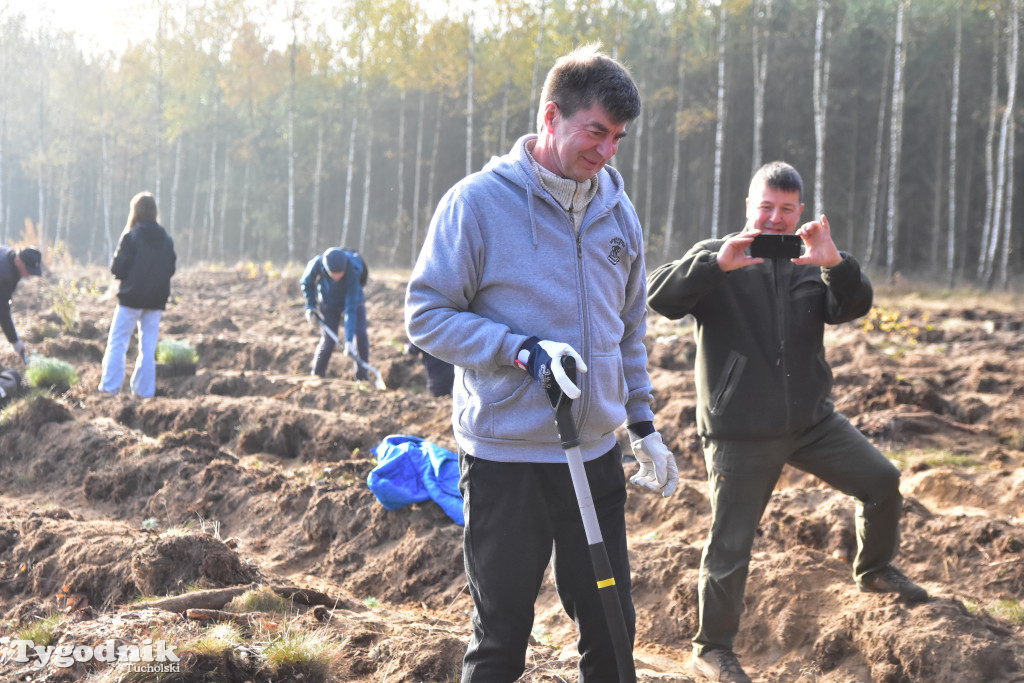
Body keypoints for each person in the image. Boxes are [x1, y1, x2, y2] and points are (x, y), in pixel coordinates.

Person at [405, 43, 679, 683]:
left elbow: (629, 329)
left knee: (612, 637)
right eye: (596, 132)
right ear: (552, 117)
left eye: (618, 138)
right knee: (501, 641)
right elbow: (425, 314)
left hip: (591, 454)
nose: (608, 151)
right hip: (507, 460)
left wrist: (643, 426)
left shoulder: (618, 211)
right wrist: (519, 350)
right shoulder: (476, 204)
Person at [647, 161, 927, 683]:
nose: (775, 219)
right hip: (740, 430)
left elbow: (854, 306)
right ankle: (711, 649)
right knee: (731, 543)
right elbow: (659, 298)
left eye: (785, 209)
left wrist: (835, 263)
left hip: (811, 422)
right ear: (749, 208)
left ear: (800, 211)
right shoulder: (718, 255)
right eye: (765, 208)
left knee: (882, 480)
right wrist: (716, 266)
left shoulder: (812, 261)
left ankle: (874, 570)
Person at [99, 192, 177, 398]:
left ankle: (109, 388)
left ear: (136, 212)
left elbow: (117, 268)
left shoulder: (131, 236)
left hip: (131, 299)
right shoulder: (167, 239)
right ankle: (144, 392)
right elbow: (171, 268)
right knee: (148, 348)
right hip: (156, 301)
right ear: (154, 212)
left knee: (118, 342)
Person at [301, 247, 369, 381]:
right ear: (326, 268)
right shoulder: (317, 265)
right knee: (328, 340)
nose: (337, 277)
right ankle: (317, 374)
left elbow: (351, 308)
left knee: (360, 335)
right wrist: (311, 307)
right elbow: (306, 283)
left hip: (354, 301)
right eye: (333, 274)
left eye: (340, 273)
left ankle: (362, 377)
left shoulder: (353, 270)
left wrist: (348, 340)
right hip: (329, 302)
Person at [0, 246, 43, 364]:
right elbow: (2, 310)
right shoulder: (4, 275)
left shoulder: (10, 257)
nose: (28, 274)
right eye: (27, 269)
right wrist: (15, 341)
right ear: (18, 261)